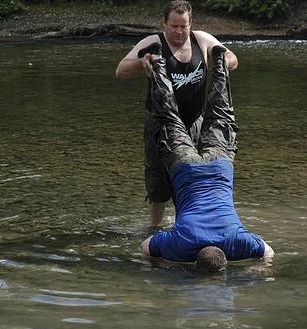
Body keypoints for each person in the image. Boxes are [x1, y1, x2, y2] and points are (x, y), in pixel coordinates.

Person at [140, 44, 274, 272]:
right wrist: (166, 262)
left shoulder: (238, 242)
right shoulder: (181, 245)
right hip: (185, 169)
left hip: (220, 166)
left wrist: (259, 268)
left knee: (221, 115)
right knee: (168, 117)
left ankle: (219, 61)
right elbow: (145, 247)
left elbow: (268, 253)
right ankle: (157, 61)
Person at [115, 0, 238, 227]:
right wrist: (141, 63)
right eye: (174, 26)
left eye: (184, 26)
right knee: (158, 179)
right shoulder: (153, 42)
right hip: (160, 124)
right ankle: (155, 228)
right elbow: (120, 71)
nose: (179, 32)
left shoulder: (201, 40)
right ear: (164, 24)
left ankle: (188, 224)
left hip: (194, 122)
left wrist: (217, 61)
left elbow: (233, 60)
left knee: (194, 175)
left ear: (191, 24)